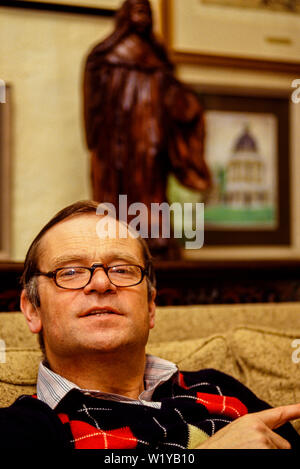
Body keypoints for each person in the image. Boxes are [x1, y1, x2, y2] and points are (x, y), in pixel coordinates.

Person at [1, 200, 300, 449]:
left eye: (122, 269)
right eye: (70, 272)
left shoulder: (219, 389)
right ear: (32, 310)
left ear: (150, 305)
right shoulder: (25, 429)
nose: (102, 283)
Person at [83, 0, 211, 252]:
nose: (142, 18)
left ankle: (154, 235)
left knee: (151, 186)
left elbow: (172, 94)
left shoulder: (157, 58)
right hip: (118, 141)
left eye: (147, 13)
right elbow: (93, 100)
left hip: (152, 137)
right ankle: (118, 237)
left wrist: (187, 106)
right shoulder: (106, 56)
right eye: (138, 11)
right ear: (125, 15)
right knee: (117, 190)